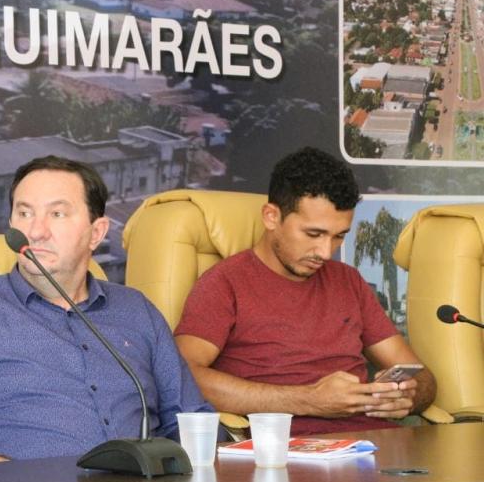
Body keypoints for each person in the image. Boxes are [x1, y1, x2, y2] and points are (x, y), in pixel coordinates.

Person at [0, 156, 213, 466]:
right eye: (24, 213)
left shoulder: (137, 310)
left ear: (97, 233)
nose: (36, 231)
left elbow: (190, 419)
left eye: (57, 214)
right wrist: (6, 479)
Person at [175, 147, 436, 435]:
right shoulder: (224, 283)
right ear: (271, 217)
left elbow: (422, 377)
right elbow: (184, 375)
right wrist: (309, 400)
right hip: (283, 447)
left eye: (338, 236)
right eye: (314, 234)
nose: (325, 252)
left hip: (372, 442)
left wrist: (408, 396)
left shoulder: (348, 281)